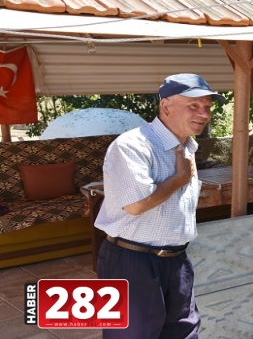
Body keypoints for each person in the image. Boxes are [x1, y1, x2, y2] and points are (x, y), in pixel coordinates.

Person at [94, 73, 225, 339]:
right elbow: (135, 205)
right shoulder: (133, 145)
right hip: (132, 261)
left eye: (207, 107)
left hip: (176, 260)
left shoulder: (187, 145)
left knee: (183, 332)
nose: (204, 114)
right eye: (194, 106)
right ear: (166, 106)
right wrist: (178, 180)